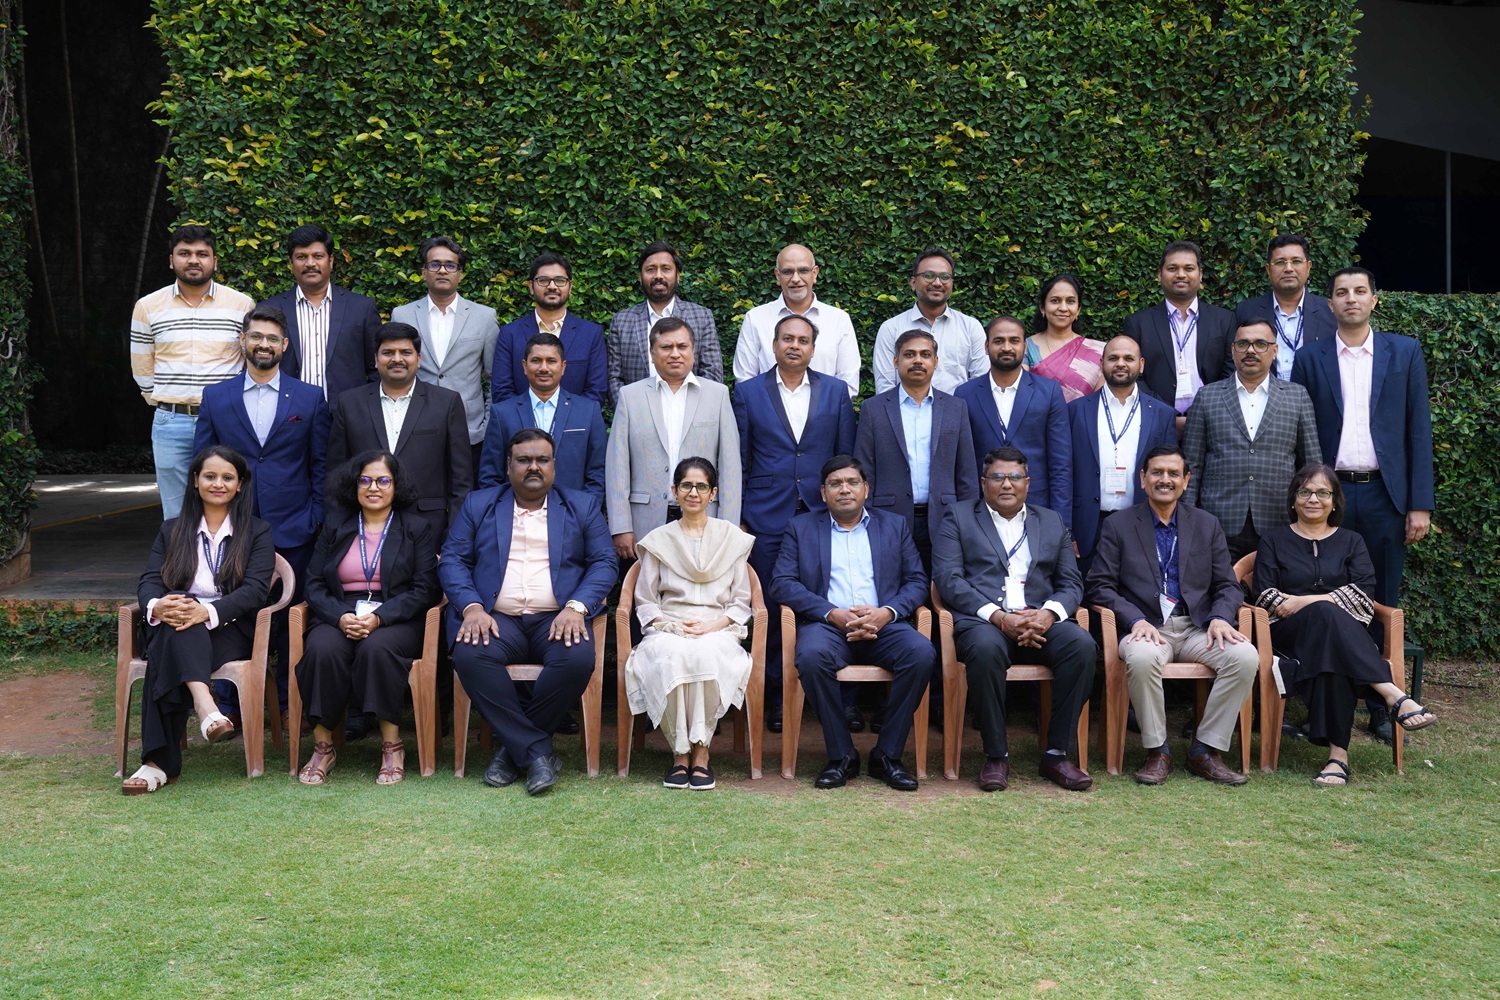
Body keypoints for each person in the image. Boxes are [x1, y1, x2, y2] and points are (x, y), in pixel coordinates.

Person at [1291, 266, 1434, 743]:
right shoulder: (1310, 358)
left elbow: (1418, 430)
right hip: (1328, 495)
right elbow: (1302, 434)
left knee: (1381, 600)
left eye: (1359, 291)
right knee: (1324, 599)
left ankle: (1380, 707)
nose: (1350, 298)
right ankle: (1323, 707)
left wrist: (1420, 504)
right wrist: (1306, 497)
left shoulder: (1404, 352)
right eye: (1341, 292)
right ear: (1329, 303)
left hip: (1384, 494)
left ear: (1374, 299)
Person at [439, 429, 617, 795]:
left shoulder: (581, 506)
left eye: (542, 460)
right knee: (471, 655)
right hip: (496, 619)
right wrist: (472, 607)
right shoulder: (479, 504)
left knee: (576, 659)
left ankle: (512, 753)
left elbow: (604, 562)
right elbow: (453, 560)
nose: (533, 467)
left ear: (554, 466)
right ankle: (536, 753)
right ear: (508, 466)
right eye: (524, 460)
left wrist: (576, 607)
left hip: (558, 617)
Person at [1252, 464, 1437, 786]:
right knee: (1327, 616)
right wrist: (1320, 603)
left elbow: (1364, 595)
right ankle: (1392, 694)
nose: (1313, 499)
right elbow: (1265, 596)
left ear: (1335, 501)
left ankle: (1338, 759)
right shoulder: (1273, 541)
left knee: (1332, 654)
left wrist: (1304, 600)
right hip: (1289, 634)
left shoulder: (1352, 541)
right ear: (1293, 500)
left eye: (1322, 493)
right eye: (1305, 492)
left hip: (1338, 638)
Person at [1086, 445, 1259, 786]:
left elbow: (1228, 585)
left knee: (1245, 656)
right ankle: (1157, 751)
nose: (1164, 479)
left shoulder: (1206, 524)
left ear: (1186, 480)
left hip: (1197, 627)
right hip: (1145, 627)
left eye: (1173, 473)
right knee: (1141, 656)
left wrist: (1220, 617)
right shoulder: (1119, 525)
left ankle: (1205, 750)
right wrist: (1134, 619)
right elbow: (1099, 585)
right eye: (1157, 472)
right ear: (1143, 478)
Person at [193, 304, 330, 719]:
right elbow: (202, 464)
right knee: (230, 612)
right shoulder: (217, 397)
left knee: (291, 621)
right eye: (256, 336)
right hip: (232, 528)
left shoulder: (309, 398)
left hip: (295, 526)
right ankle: (230, 706)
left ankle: (289, 707)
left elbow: (321, 465)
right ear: (243, 341)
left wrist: (315, 518)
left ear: (285, 345)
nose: (264, 344)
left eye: (272, 338)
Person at [933, 447, 1097, 792]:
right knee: (985, 650)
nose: (1006, 484)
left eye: (1014, 477)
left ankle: (1056, 754)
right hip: (985, 622)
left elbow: (1071, 582)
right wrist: (998, 617)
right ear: (983, 483)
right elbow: (948, 579)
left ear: (1027, 483)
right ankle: (996, 756)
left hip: (1040, 620)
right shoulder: (958, 517)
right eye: (997, 477)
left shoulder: (1051, 520)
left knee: (1082, 646)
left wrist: (1048, 614)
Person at [771, 456, 935, 791]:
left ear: (866, 489)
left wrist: (886, 612)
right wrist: (833, 613)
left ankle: (887, 755)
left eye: (852, 482)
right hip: (829, 627)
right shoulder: (801, 528)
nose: (844, 489)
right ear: (823, 493)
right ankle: (841, 755)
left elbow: (918, 581)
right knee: (811, 657)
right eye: (835, 484)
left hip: (884, 626)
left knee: (921, 653)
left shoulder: (894, 525)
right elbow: (782, 582)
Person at [121, 446, 276, 794]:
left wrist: (207, 611)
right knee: (179, 617)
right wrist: (157, 606)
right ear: (195, 481)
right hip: (175, 622)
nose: (218, 483)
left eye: (227, 477)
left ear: (239, 485)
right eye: (210, 476)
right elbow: (149, 581)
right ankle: (206, 704)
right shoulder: (172, 530)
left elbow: (254, 591)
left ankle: (157, 764)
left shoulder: (257, 531)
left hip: (228, 628)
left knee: (172, 637)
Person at [732, 313, 856, 732]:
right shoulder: (748, 392)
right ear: (774, 344)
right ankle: (777, 698)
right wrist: (742, 515)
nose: (794, 346)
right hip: (766, 514)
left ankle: (840, 699)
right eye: (787, 338)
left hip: (824, 514)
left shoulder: (835, 391)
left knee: (830, 599)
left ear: (813, 348)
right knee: (769, 607)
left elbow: (844, 457)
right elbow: (740, 459)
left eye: (803, 340)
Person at [293, 451, 439, 785]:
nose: (374, 488)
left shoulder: (416, 528)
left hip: (395, 614)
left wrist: (380, 618)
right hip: (340, 611)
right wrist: (341, 616)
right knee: (322, 651)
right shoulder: (336, 525)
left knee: (377, 649)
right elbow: (313, 584)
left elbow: (425, 589)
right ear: (354, 485)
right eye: (366, 480)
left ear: (396, 486)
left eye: (383, 480)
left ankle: (392, 746)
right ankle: (323, 747)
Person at [625, 457, 756, 790]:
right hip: (670, 626)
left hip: (718, 627)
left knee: (705, 654)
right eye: (686, 485)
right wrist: (669, 625)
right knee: (672, 654)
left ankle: (700, 750)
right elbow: (645, 600)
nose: (693, 493)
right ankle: (680, 752)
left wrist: (713, 626)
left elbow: (741, 601)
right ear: (674, 491)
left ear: (713, 493)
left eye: (701, 486)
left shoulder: (732, 539)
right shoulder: (658, 540)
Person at [130, 225, 255, 519]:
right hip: (171, 421)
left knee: (229, 503)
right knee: (176, 511)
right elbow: (142, 366)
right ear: (171, 260)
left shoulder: (242, 305)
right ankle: (181, 553)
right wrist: (164, 401)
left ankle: (226, 552)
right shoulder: (147, 306)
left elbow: (248, 363)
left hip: (225, 420)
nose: (193, 260)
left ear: (214, 261)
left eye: (202, 254)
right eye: (184, 253)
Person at [1182, 316, 1322, 561]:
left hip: (1280, 520)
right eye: (1243, 344)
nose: (1250, 350)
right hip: (1218, 523)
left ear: (1274, 351)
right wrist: (1187, 519)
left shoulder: (1297, 397)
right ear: (1233, 350)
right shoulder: (1207, 396)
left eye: (1260, 344)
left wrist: (1312, 520)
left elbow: (1311, 467)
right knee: (1219, 586)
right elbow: (1191, 466)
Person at [607, 317, 741, 560]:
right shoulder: (630, 396)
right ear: (652, 353)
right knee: (646, 584)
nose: (675, 354)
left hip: (706, 520)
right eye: (666, 347)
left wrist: (728, 526)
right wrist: (621, 526)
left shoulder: (717, 395)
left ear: (693, 350)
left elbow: (730, 467)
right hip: (644, 522)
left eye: (682, 346)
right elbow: (617, 466)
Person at [327, 322, 472, 544]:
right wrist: (339, 532)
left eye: (405, 352)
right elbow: (336, 474)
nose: (397, 359)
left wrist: (452, 542)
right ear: (375, 359)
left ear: (418, 359)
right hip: (362, 531)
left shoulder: (446, 403)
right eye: (388, 353)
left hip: (429, 530)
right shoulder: (349, 403)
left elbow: (461, 480)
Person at [855, 329, 977, 573]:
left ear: (936, 361)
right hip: (888, 518)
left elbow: (966, 472)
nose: (918, 360)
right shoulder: (874, 408)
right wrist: (866, 520)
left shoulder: (956, 407)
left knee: (943, 587)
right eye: (909, 354)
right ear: (895, 361)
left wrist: (968, 521)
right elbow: (864, 470)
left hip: (945, 518)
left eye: (925, 354)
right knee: (892, 585)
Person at [1067, 335, 1178, 576]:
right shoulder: (1075, 410)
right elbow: (1064, 473)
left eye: (1128, 358)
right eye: (1113, 358)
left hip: (1143, 522)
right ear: (1101, 363)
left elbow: (1171, 477)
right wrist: (1068, 530)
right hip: (1087, 525)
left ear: (1141, 364)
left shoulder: (1162, 414)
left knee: (1138, 593)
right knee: (1088, 593)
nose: (1120, 363)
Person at [392, 236, 499, 476]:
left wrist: (486, 424)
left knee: (466, 493)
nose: (442, 270)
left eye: (450, 265)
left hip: (469, 431)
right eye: (435, 264)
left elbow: (496, 378)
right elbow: (394, 375)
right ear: (424, 272)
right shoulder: (402, 315)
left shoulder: (484, 317)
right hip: (414, 428)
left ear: (460, 274)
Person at [955, 316, 1072, 523]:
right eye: (999, 341)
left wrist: (1063, 524)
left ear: (1025, 347)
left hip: (1037, 507)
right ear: (986, 346)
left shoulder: (1049, 392)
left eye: (1014, 341)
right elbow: (962, 463)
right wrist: (966, 519)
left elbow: (1061, 463)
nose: (1006, 347)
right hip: (981, 510)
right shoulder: (965, 394)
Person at [477, 332, 606, 503]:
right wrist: (504, 512)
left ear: (563, 366)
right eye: (536, 360)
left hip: (574, 513)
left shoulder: (588, 411)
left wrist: (583, 511)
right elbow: (490, 476)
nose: (544, 368)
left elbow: (598, 473)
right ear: (524, 366)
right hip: (515, 513)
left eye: (551, 361)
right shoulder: (502, 413)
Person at [261, 224, 382, 405]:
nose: (310, 263)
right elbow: (260, 368)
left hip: (347, 414)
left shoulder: (361, 309)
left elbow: (377, 368)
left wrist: (366, 410)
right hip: (288, 414)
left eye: (318, 256)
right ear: (291, 263)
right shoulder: (270, 309)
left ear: (330, 261)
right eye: (301, 257)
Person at [1122, 240, 1235, 429]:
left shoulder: (1224, 320)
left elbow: (1231, 371)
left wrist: (1202, 414)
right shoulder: (1138, 323)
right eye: (1172, 268)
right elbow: (1134, 377)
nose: (1181, 274)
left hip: (1212, 421)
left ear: (1200, 275)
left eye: (1189, 268)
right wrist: (1166, 416)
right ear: (1160, 275)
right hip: (1156, 423)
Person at [734, 244, 860, 396]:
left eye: (803, 271)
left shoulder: (838, 320)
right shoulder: (756, 319)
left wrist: (822, 408)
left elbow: (848, 384)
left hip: (825, 411)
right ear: (777, 276)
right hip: (768, 411)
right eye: (788, 272)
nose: (795, 279)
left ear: (815, 273)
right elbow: (745, 381)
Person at [606, 240, 723, 403]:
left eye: (666, 269)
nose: (658, 276)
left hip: (691, 413)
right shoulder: (622, 321)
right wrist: (633, 412)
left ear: (678, 276)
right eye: (650, 269)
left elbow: (712, 374)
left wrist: (690, 412)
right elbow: (614, 378)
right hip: (638, 414)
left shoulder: (702, 317)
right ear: (640, 277)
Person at [492, 252, 607, 404]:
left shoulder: (591, 334)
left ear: (570, 287)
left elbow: (596, 391)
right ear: (531, 287)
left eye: (560, 280)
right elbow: (502, 391)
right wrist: (532, 420)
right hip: (520, 420)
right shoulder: (510, 334)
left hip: (576, 419)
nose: (552, 286)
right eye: (543, 280)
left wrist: (565, 418)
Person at [872, 247, 988, 394]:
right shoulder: (891, 328)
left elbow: (980, 386)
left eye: (945, 277)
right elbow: (885, 389)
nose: (937, 283)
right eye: (929, 275)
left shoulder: (971, 328)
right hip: (903, 409)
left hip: (959, 409)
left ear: (952, 283)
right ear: (913, 283)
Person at [1234, 234, 1335, 382]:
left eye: (1296, 261)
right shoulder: (1246, 311)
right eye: (1280, 262)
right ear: (1268, 269)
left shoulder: (1330, 312)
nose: (1288, 269)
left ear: (1308, 267)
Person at [1024, 273, 1106, 404]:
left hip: (1084, 417)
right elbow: (1021, 395)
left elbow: (1099, 402)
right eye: (1055, 300)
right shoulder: (1025, 347)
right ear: (1043, 308)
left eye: (1070, 301)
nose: (1063, 308)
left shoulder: (1099, 351)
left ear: (1078, 310)